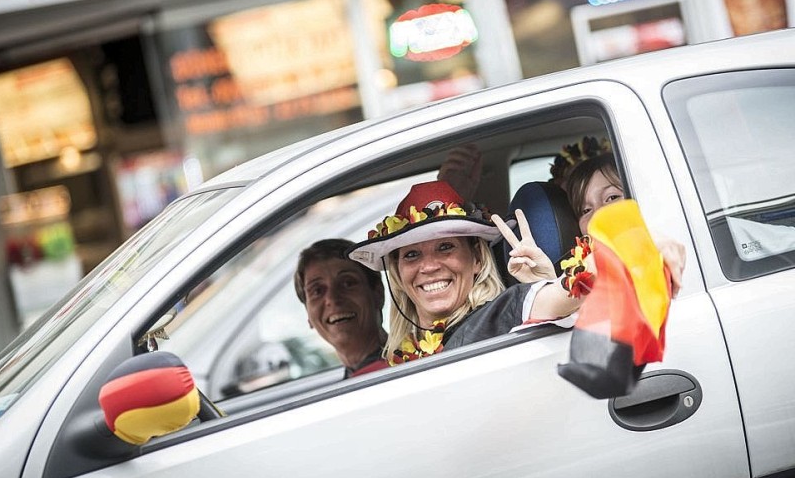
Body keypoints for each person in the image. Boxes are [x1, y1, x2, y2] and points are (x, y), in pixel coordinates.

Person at [348, 180, 580, 363]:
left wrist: (549, 284)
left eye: (445, 247)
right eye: (411, 254)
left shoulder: (499, 315)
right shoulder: (402, 355)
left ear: (477, 258)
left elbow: (577, 289)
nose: (429, 266)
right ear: (397, 272)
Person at [564, 152, 686, 297]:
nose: (597, 215)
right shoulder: (576, 280)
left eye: (612, 197)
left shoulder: (672, 249)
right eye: (586, 210)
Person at [294, 239, 389, 377]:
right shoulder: (342, 386)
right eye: (317, 291)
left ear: (378, 293)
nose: (332, 299)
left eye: (347, 283)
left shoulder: (411, 364)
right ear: (308, 314)